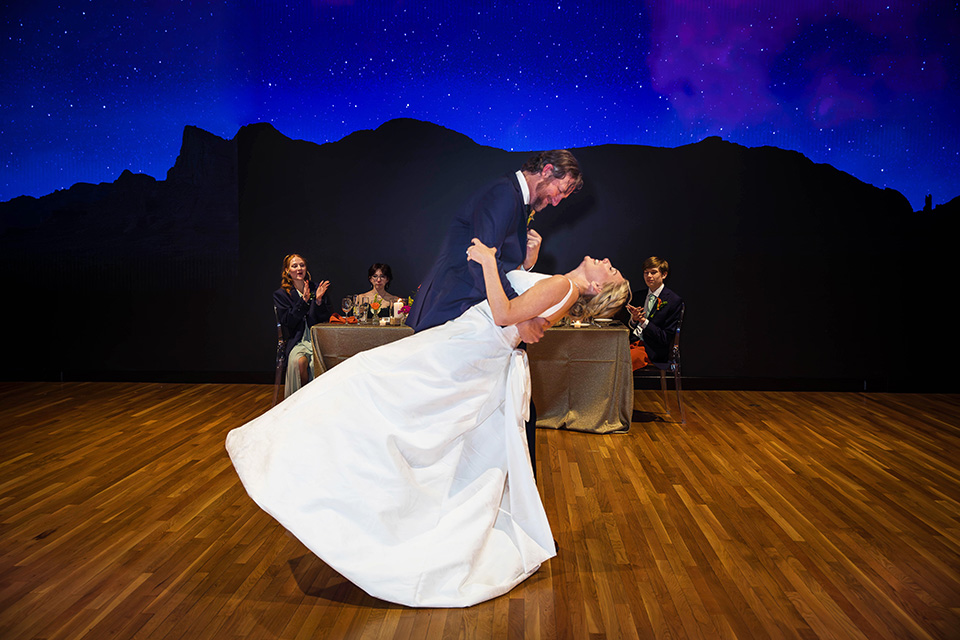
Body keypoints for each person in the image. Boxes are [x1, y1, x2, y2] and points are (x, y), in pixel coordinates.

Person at [226, 244, 629, 608]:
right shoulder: (560, 286)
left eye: (611, 271)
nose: (608, 261)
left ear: (597, 287)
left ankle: (296, 455)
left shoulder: (564, 286)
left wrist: (489, 262)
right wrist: (526, 268)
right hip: (471, 345)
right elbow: (524, 320)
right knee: (391, 398)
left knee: (369, 379)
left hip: (468, 347)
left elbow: (505, 314)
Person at [406, 150, 583, 477]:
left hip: (473, 315)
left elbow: (498, 267)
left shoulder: (516, 201)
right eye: (560, 191)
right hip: (452, 309)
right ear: (546, 170)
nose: (557, 201)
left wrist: (526, 264)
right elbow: (480, 259)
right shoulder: (503, 194)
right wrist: (521, 316)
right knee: (438, 414)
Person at [273, 254, 332, 398]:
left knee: (315, 365)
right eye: (294, 266)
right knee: (299, 362)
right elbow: (288, 322)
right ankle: (301, 399)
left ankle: (314, 400)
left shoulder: (316, 288)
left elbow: (326, 318)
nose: (299, 268)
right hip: (297, 340)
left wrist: (318, 301)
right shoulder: (282, 294)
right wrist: (303, 301)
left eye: (302, 265)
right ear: (287, 271)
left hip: (317, 340)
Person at [621, 256, 683, 369]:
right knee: (608, 356)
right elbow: (627, 325)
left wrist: (644, 322)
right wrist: (634, 320)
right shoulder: (638, 296)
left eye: (653, 272)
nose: (649, 276)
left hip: (652, 349)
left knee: (623, 362)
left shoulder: (673, 300)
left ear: (664, 275)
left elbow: (665, 338)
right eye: (646, 273)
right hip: (630, 343)